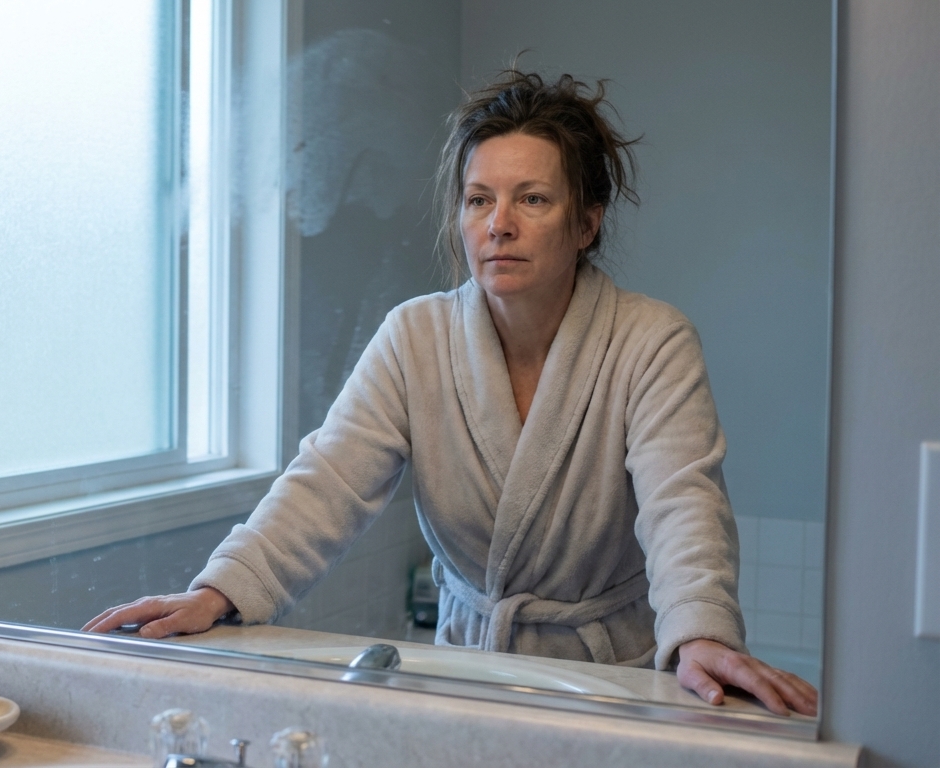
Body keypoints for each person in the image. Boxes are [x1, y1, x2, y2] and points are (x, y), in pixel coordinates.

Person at [85, 70, 817, 717]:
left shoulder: (651, 342)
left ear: (587, 223)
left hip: (610, 683)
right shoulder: (415, 338)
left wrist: (701, 632)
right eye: (478, 200)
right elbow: (328, 480)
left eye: (532, 198)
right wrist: (222, 590)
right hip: (468, 673)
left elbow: (682, 503)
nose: (499, 224)